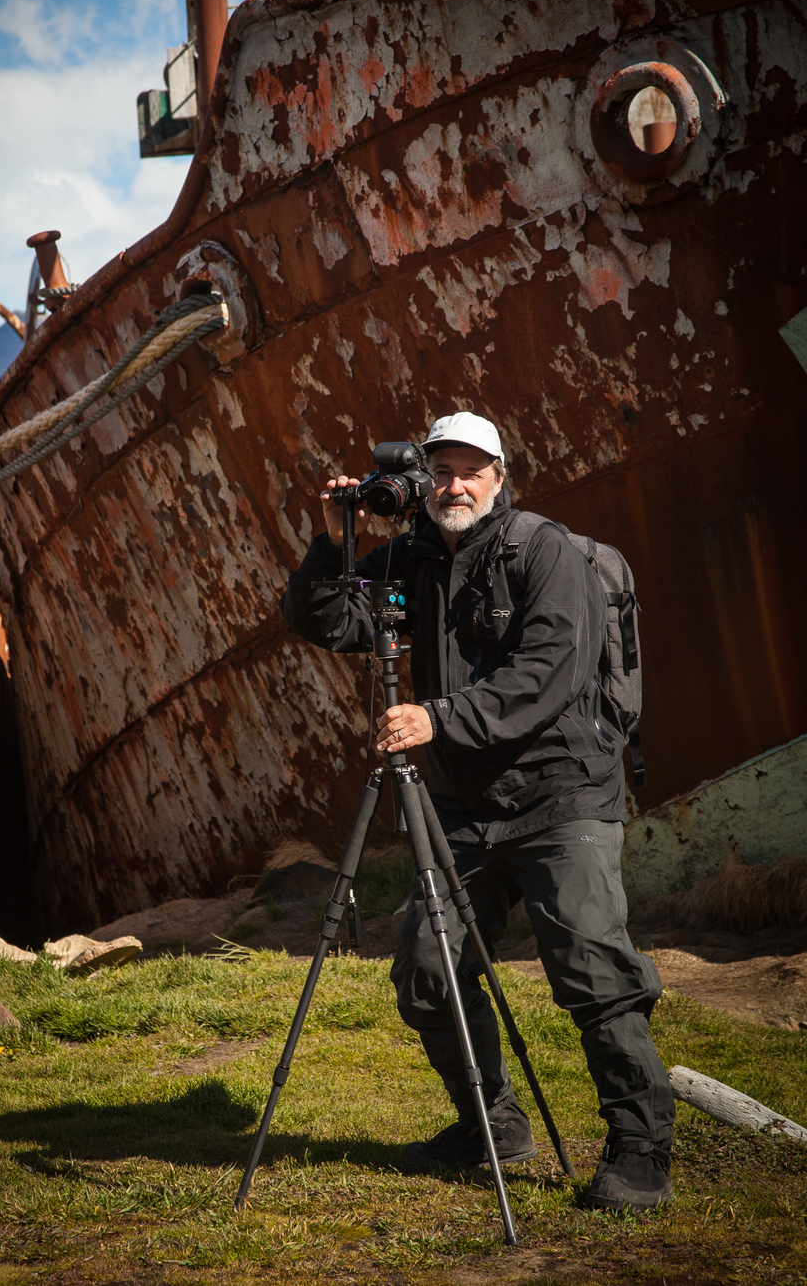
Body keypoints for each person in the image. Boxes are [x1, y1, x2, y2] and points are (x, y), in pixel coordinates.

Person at [281, 410, 675, 1212]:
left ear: (500, 478)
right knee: (429, 971)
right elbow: (326, 619)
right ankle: (491, 1124)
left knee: (593, 971)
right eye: (442, 472)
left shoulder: (544, 550)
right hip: (464, 806)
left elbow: (550, 672)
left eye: (472, 471)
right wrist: (334, 543)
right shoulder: (416, 558)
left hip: (562, 793)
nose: (454, 485)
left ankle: (640, 1148)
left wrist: (436, 719)